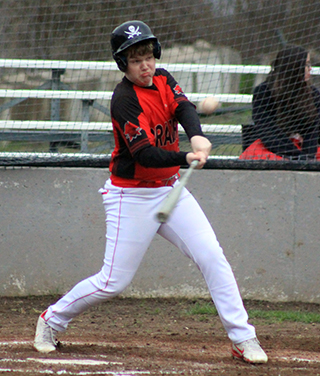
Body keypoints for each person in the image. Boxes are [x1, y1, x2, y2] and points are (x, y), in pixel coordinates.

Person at [34, 20, 268, 364]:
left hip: (170, 190)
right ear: (123, 64)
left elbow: (184, 107)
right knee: (113, 281)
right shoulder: (123, 100)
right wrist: (186, 154)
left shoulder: (163, 78)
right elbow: (144, 154)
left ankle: (243, 338)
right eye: (135, 59)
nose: (145, 65)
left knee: (212, 257)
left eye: (148, 56)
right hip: (131, 196)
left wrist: (197, 135)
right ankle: (51, 320)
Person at [240, 44, 320, 160]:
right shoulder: (263, 92)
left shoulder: (312, 94)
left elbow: (312, 130)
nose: (310, 68)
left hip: (304, 148)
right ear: (294, 67)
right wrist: (296, 157)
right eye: (306, 64)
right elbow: (267, 131)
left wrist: (307, 159)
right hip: (276, 147)